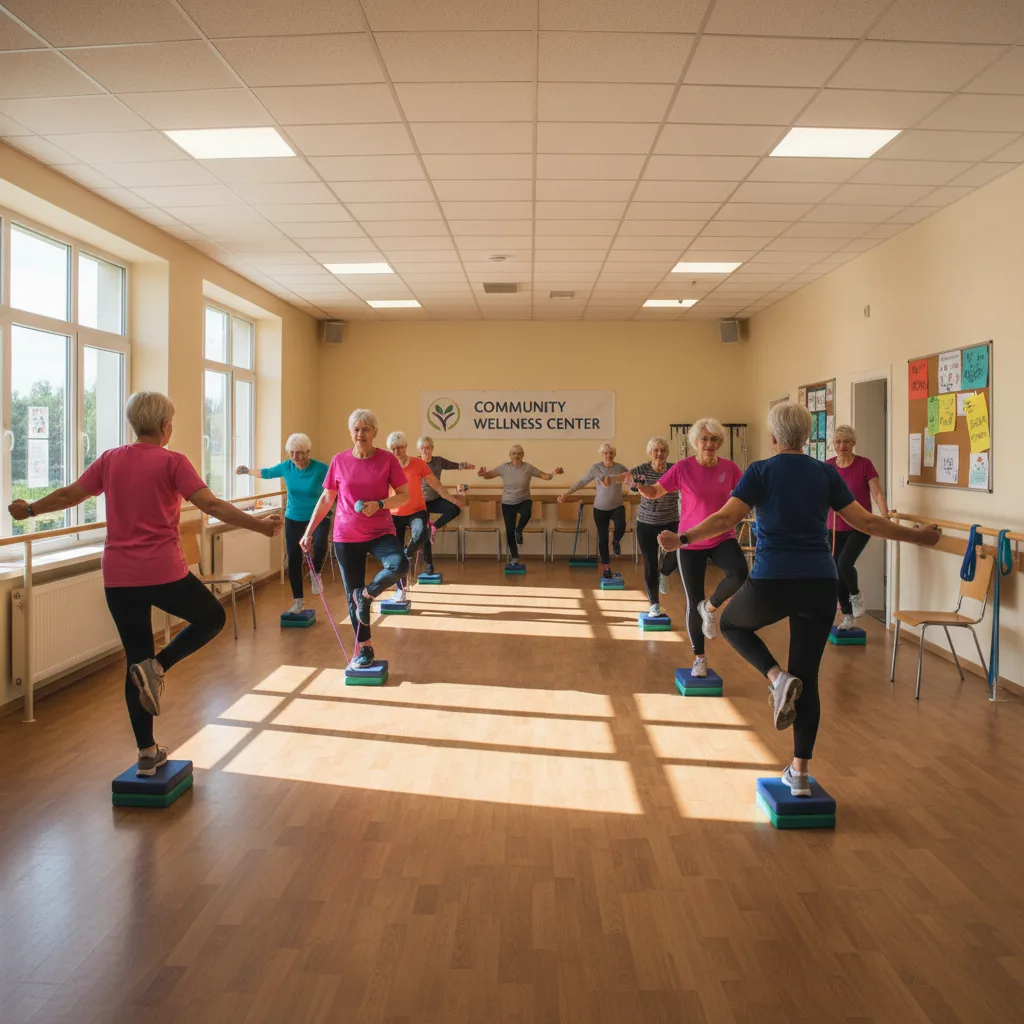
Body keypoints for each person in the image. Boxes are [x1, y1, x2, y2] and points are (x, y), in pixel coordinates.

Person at [658, 403, 939, 797]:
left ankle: (777, 678)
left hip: (773, 580)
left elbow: (724, 519)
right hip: (820, 584)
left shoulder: (761, 471)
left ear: (774, 437)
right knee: (809, 677)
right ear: (807, 437)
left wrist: (683, 538)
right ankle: (800, 774)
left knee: (732, 624)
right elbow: (866, 522)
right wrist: (918, 537)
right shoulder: (825, 473)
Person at [8, 392, 282, 776]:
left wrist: (30, 509)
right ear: (165, 426)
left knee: (135, 659)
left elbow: (71, 495)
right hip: (163, 572)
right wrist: (261, 526)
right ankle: (159, 666)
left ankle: (147, 752)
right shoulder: (173, 462)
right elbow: (212, 505)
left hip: (119, 577)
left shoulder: (110, 460)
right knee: (211, 618)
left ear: (134, 424)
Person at [634, 419, 746, 677]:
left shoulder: (730, 468)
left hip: (722, 537)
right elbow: (654, 492)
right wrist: (640, 486)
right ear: (695, 442)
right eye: (704, 439)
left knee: (740, 573)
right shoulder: (683, 468)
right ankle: (699, 658)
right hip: (690, 541)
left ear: (720, 442)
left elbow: (746, 496)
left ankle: (711, 607)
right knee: (693, 599)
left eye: (714, 439)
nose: (709, 444)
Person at [299, 409, 409, 670]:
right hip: (346, 536)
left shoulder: (387, 460)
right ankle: (365, 648)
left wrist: (380, 504)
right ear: (351, 432)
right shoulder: (339, 460)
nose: (361, 434)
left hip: (380, 532)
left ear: (375, 432)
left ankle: (367, 594)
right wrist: (309, 531)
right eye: (356, 429)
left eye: (366, 429)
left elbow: (404, 495)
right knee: (352, 596)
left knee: (399, 565)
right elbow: (326, 499)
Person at [236, 432, 329, 616]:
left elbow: (338, 484)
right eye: (292, 452)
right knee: (293, 558)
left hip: (318, 515)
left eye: (300, 452)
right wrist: (247, 471)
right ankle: (298, 601)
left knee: (320, 544)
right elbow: (267, 473)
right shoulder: (287, 466)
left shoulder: (321, 469)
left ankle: (315, 572)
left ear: (308, 451)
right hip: (294, 516)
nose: (295, 457)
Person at [386, 431, 462, 599]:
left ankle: (409, 552)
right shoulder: (387, 465)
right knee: (396, 556)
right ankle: (401, 590)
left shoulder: (418, 463)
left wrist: (452, 499)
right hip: (395, 513)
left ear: (406, 447)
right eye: (393, 449)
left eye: (400, 448)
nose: (397, 452)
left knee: (421, 533)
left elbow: (436, 484)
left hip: (416, 511)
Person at [828, 425, 890, 630]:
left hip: (860, 525)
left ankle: (855, 594)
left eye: (846, 441)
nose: (842, 445)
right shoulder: (828, 466)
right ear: (833, 444)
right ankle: (848, 615)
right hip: (834, 526)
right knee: (836, 570)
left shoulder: (864, 464)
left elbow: (877, 492)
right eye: (838, 442)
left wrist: (885, 515)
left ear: (853, 443)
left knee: (844, 563)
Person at [478, 445, 563, 564]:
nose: (516, 456)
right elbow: (488, 475)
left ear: (522, 455)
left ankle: (519, 530)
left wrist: (554, 472)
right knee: (509, 531)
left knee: (527, 512)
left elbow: (545, 476)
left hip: (524, 499)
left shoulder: (528, 467)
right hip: (507, 502)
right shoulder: (504, 467)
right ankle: (515, 557)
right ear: (510, 455)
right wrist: (482, 474)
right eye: (513, 453)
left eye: (519, 453)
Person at [558, 443, 630, 580]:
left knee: (621, 525)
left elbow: (632, 480)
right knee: (603, 538)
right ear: (601, 454)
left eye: (611, 453)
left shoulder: (621, 468)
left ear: (614, 454)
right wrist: (567, 494)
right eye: (605, 453)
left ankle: (616, 540)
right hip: (600, 508)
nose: (608, 455)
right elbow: (582, 482)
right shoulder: (595, 468)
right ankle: (606, 568)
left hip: (617, 506)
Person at [625, 437, 678, 612]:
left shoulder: (674, 469)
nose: (660, 454)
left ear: (667, 452)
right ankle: (654, 604)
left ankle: (665, 573)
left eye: (663, 450)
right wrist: (634, 485)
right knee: (650, 564)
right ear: (650, 453)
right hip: (646, 523)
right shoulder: (642, 470)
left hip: (671, 521)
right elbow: (628, 481)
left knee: (675, 556)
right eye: (656, 450)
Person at [416, 435, 474, 574]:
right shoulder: (415, 462)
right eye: (423, 448)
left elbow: (453, 465)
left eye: (428, 448)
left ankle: (434, 526)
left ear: (432, 448)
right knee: (425, 532)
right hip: (421, 503)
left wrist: (464, 466)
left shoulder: (438, 461)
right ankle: (429, 566)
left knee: (455, 509)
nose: (425, 451)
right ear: (419, 449)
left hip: (436, 499)